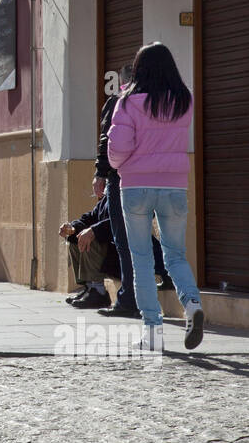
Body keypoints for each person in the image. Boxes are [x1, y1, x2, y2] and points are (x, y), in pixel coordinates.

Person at [107, 42, 204, 352]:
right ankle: (192, 305)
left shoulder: (129, 102)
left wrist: (118, 165)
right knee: (175, 254)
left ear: (139, 69)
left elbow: (118, 148)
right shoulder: (183, 101)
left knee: (142, 260)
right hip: (175, 186)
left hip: (136, 187)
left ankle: (152, 333)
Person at [93, 63, 171, 318]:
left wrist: (101, 173)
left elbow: (108, 140)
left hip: (124, 178)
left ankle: (130, 299)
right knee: (142, 239)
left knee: (125, 240)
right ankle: (149, 291)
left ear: (124, 81)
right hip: (154, 177)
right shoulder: (158, 104)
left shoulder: (119, 102)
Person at [59, 191, 122, 309]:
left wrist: (93, 231)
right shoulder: (105, 200)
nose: (95, 190)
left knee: (89, 239)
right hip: (108, 251)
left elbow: (117, 222)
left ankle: (99, 292)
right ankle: (89, 287)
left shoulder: (119, 195)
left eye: (99, 183)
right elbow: (88, 218)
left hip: (118, 254)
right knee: (75, 239)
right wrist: (72, 228)